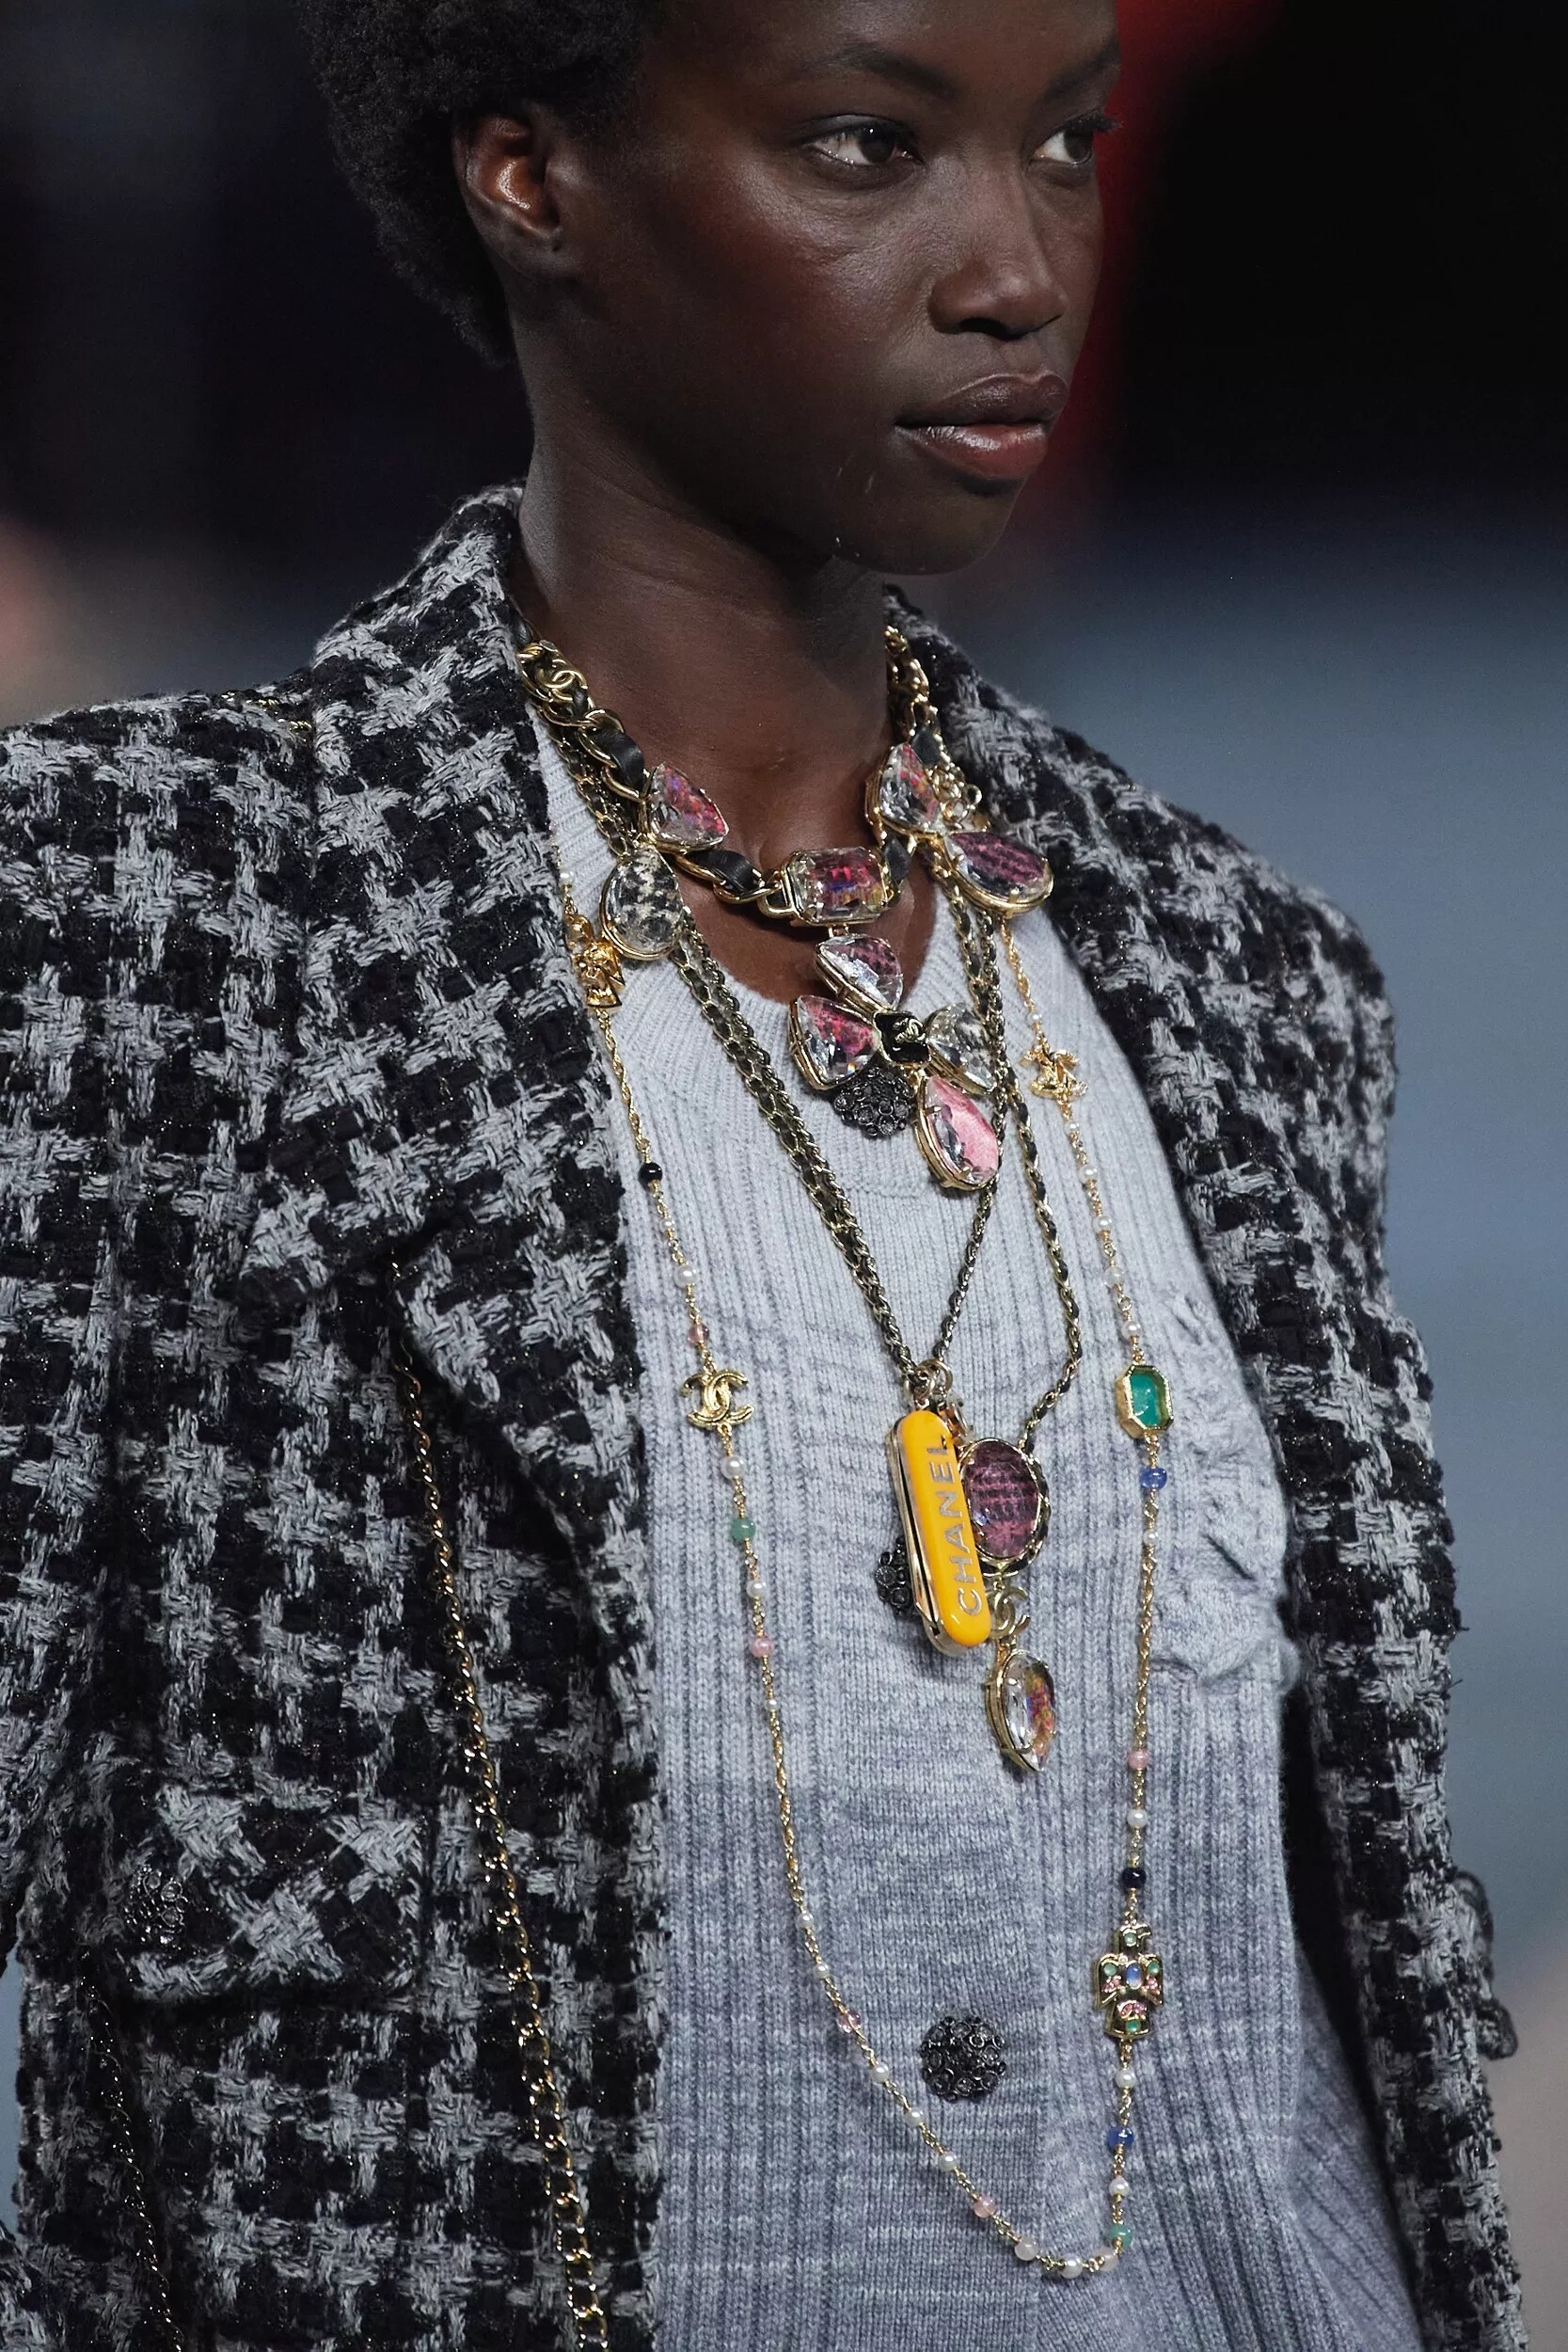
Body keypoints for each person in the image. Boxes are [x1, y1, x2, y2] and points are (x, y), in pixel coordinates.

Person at [0, 1, 1523, 2347]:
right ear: (531, 176)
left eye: (1067, 147)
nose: (1018, 269)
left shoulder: (1248, 977)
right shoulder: (162, 925)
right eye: (865, 146)